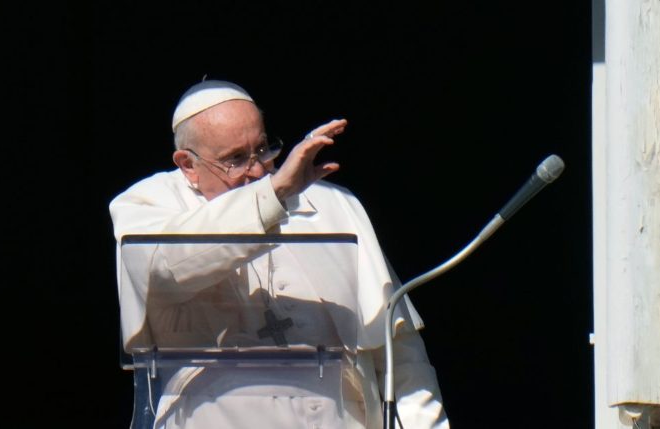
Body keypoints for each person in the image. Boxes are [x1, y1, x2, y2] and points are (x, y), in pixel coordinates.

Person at [109, 80, 449, 429]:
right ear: (187, 165)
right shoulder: (148, 204)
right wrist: (274, 195)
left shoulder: (334, 203)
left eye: (262, 150)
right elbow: (162, 269)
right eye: (236, 159)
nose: (257, 170)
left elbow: (399, 352)